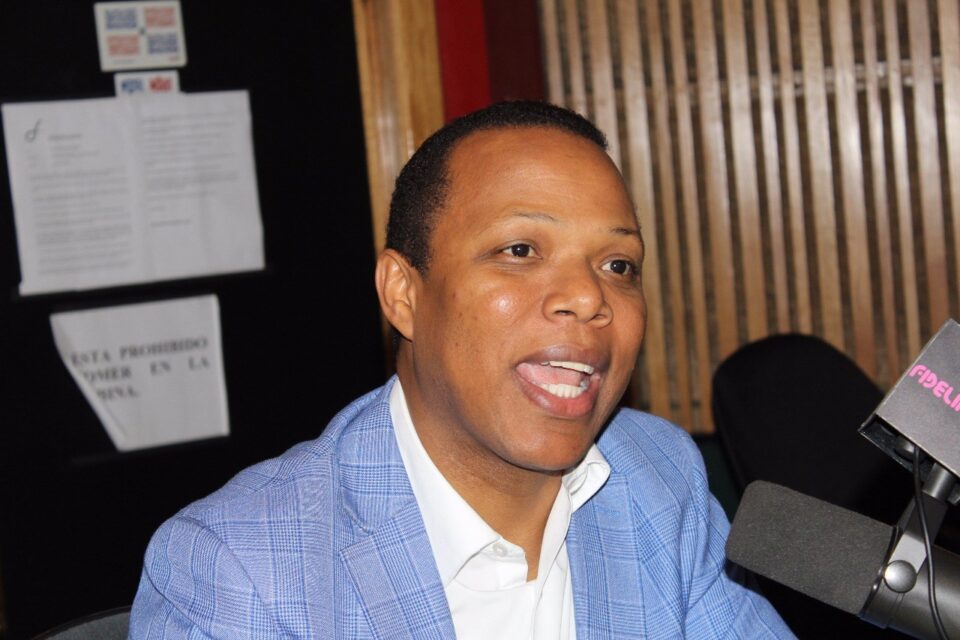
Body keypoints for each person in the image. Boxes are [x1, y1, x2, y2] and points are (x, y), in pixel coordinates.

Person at [129, 101, 792, 639]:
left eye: (618, 265)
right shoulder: (241, 569)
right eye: (520, 250)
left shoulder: (658, 478)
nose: (588, 296)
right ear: (403, 295)